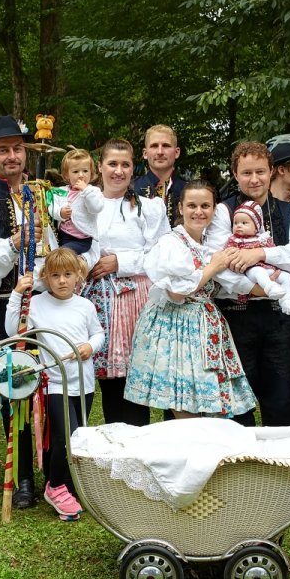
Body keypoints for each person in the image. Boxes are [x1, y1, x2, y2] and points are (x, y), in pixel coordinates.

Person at [0, 115, 98, 509]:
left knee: (58, 387)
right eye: (2, 150)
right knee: (18, 387)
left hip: (54, 301)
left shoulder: (42, 194)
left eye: (17, 148)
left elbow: (73, 230)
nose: (12, 156)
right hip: (14, 306)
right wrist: (12, 244)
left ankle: (58, 474)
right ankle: (21, 476)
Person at [125, 180, 262, 419]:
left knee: (208, 402)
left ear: (213, 209)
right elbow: (178, 292)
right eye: (192, 205)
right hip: (175, 326)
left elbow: (233, 282)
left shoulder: (208, 246)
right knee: (183, 402)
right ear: (180, 208)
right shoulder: (171, 243)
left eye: (205, 206)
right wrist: (213, 266)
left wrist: (273, 288)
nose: (198, 212)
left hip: (204, 325)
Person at [206, 141, 290, 428]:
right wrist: (254, 287)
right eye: (246, 173)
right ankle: (239, 467)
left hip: (280, 317)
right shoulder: (224, 212)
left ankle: (277, 468)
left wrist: (261, 254)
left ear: (271, 172)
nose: (254, 179)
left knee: (281, 397)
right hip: (236, 314)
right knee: (237, 397)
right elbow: (220, 264)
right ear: (235, 174)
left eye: (260, 172)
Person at [5, 249, 104, 520]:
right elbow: (14, 330)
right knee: (68, 436)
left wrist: (89, 346)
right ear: (45, 278)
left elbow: (98, 333)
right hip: (56, 383)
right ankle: (56, 486)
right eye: (55, 275)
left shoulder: (84, 306)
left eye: (68, 275)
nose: (62, 281)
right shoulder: (37, 304)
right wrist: (16, 295)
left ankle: (66, 484)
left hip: (83, 384)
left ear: (78, 277)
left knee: (75, 435)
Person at [81, 139, 169, 427]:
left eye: (125, 165)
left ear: (134, 168)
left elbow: (163, 252)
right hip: (94, 299)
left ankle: (137, 445)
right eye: (112, 164)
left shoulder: (148, 207)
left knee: (133, 380)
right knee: (107, 382)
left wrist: (120, 261)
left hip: (133, 298)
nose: (118, 171)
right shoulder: (82, 204)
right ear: (100, 167)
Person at [226, 201, 290, 315]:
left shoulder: (263, 239)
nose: (239, 225)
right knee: (258, 272)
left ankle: (287, 300)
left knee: (286, 277)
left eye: (244, 223)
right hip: (251, 270)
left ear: (256, 227)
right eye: (235, 223)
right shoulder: (234, 240)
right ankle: (270, 287)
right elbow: (229, 254)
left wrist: (264, 255)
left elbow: (274, 251)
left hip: (270, 268)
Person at [48, 148, 103, 255]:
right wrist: (60, 213)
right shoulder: (62, 191)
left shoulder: (93, 191)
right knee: (58, 254)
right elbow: (52, 206)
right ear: (66, 175)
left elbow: (96, 208)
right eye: (75, 171)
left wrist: (86, 190)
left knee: (62, 255)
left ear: (91, 173)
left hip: (82, 239)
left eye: (85, 171)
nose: (81, 175)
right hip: (63, 235)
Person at [133, 124, 186, 225]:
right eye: (154, 146)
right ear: (145, 153)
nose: (160, 152)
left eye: (166, 145)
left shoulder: (189, 190)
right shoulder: (130, 189)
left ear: (176, 152)